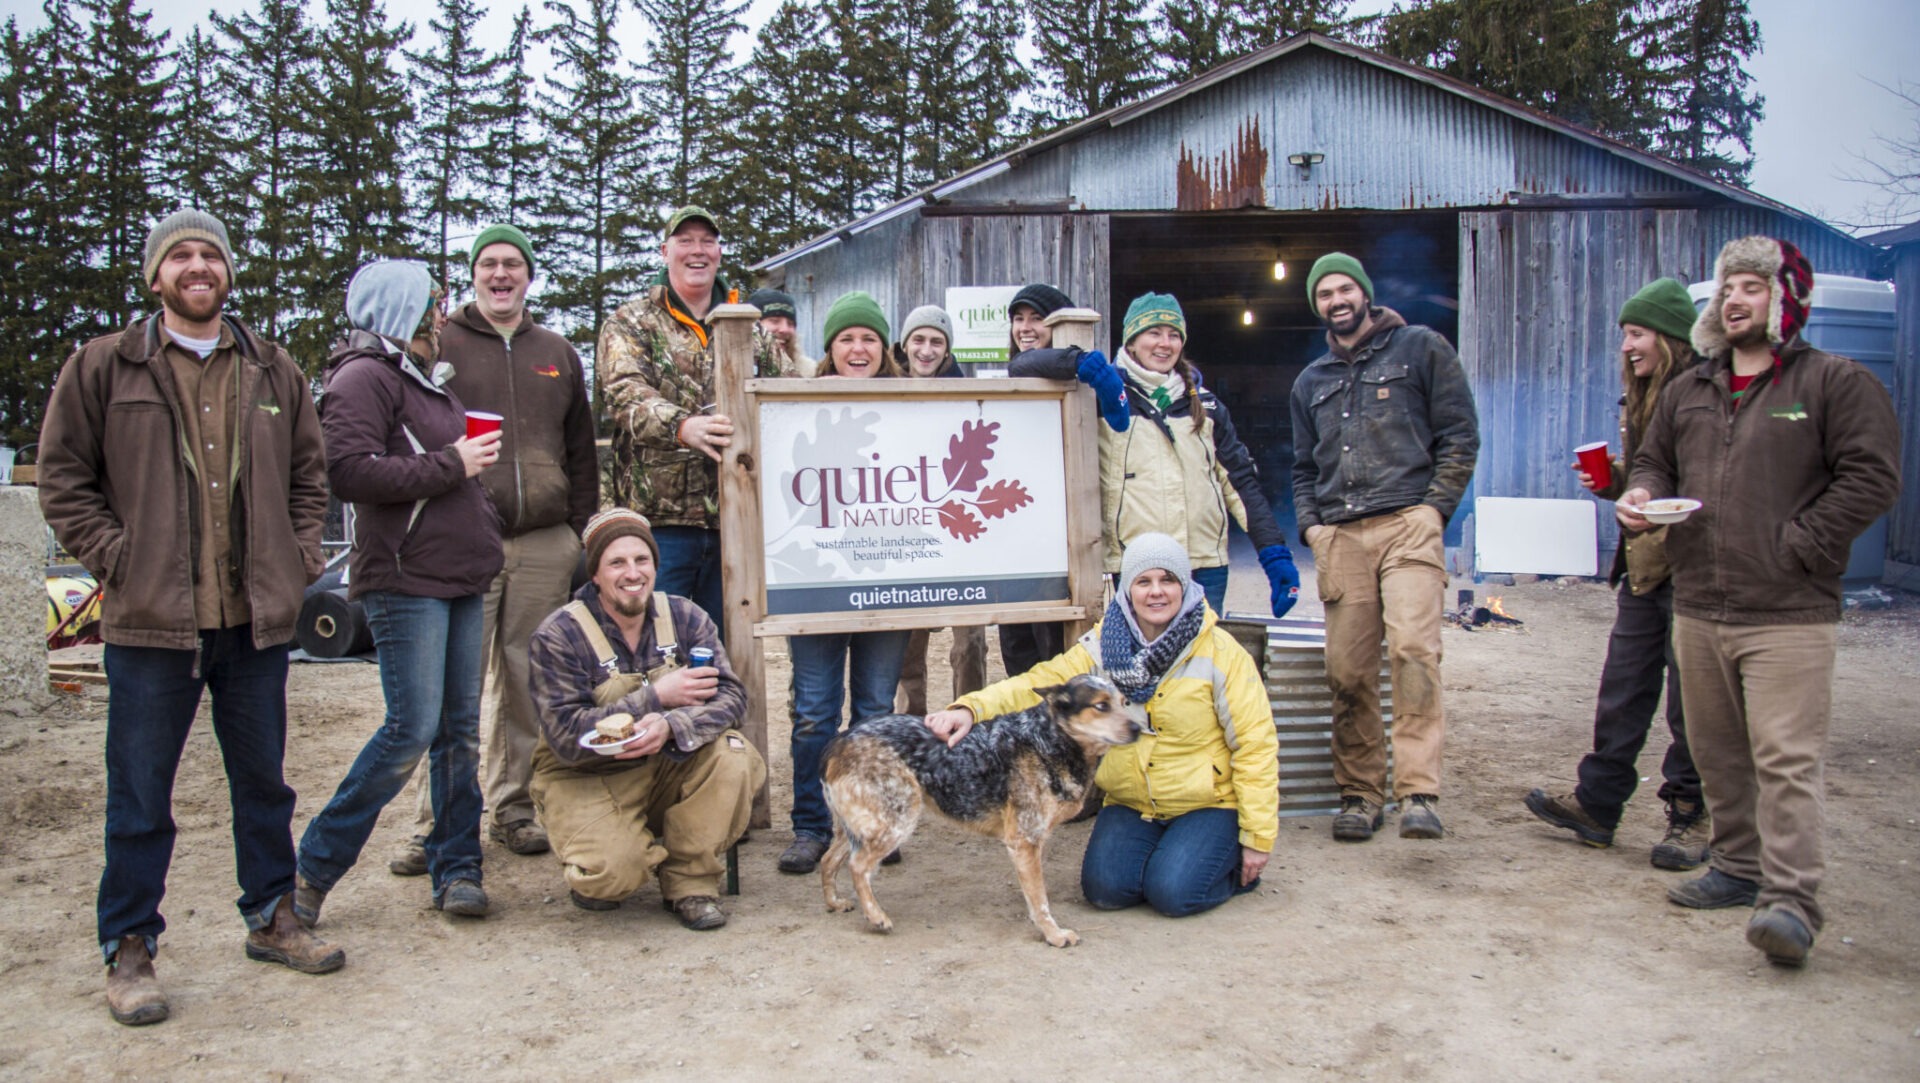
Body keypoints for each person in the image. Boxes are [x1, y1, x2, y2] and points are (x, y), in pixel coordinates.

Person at [38, 209, 344, 1025]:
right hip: (150, 624)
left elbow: (311, 478)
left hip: (253, 621)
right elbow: (62, 477)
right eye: (181, 255)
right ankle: (130, 945)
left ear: (228, 272)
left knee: (264, 784)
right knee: (140, 793)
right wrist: (117, 555)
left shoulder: (273, 370)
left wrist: (301, 555)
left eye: (211, 254)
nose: (198, 266)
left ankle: (273, 915)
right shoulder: (105, 366)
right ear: (155, 275)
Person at [1622, 236, 1900, 967]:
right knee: (1717, 751)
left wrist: (1803, 542)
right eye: (1728, 286)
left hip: (1788, 610)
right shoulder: (1692, 388)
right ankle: (1738, 867)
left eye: (1752, 285)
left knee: (1784, 757)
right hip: (1702, 600)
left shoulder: (1833, 383)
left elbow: (1873, 476)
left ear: (1786, 299)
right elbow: (1655, 457)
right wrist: (1643, 493)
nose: (1735, 299)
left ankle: (1792, 900)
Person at [295, 260, 505, 924]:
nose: (442, 316)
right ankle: (313, 866)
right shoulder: (361, 378)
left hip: (458, 576)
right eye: (432, 305)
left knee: (457, 732)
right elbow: (349, 470)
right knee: (409, 728)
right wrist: (454, 463)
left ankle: (458, 866)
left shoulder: (420, 381)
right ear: (399, 311)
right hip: (406, 581)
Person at [389, 224, 597, 876]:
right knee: (451, 690)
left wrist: (581, 533)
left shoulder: (558, 352)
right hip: (460, 539)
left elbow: (581, 453)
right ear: (471, 275)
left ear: (528, 276)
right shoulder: (439, 345)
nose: (501, 274)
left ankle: (514, 809)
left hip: (542, 542)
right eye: (489, 264)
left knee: (526, 683)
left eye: (513, 264)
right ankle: (435, 824)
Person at [926, 533, 1278, 917]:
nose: (1156, 592)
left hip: (1206, 802)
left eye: (1168, 580)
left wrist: (1258, 838)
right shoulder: (1104, 646)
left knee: (1175, 895)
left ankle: (1216, 865)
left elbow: (1255, 746)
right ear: (1127, 590)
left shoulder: (1223, 653)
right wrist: (971, 708)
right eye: (1143, 582)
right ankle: (1174, 857)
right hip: (1133, 801)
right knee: (1106, 892)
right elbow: (1039, 682)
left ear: (1185, 585)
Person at [1291, 252, 1479, 842]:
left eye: (1345, 288)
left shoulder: (1421, 348)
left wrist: (1434, 509)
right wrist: (1313, 529)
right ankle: (1360, 793)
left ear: (1365, 293)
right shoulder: (1310, 382)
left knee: (1414, 653)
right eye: (1325, 294)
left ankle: (1418, 793)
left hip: (1407, 525)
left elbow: (1459, 435)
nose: (1336, 301)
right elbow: (1301, 469)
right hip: (1341, 535)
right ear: (1317, 305)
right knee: (1347, 671)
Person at [1525, 279, 1710, 869]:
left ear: (1672, 338)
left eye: (1637, 334)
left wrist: (1644, 491)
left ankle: (1689, 817)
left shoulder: (1702, 396)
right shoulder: (1644, 395)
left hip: (1694, 572)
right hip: (1644, 567)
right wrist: (1614, 483)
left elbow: (1703, 480)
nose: (1627, 346)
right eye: (1625, 335)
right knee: (1623, 692)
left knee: (1691, 704)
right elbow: (1653, 474)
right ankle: (1598, 807)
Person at [527, 509, 766, 928]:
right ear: (595, 573)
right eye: (616, 563)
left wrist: (673, 725)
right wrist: (655, 698)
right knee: (610, 878)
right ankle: (623, 856)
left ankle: (691, 881)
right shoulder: (559, 634)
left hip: (668, 765)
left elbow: (731, 697)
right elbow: (565, 736)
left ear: (655, 566)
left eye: (642, 560)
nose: (632, 573)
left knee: (734, 753)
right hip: (586, 776)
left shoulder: (686, 616)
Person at [1010, 292, 1299, 619]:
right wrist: (1083, 363)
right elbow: (1020, 364)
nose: (1165, 343)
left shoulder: (1206, 405)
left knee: (1200, 664)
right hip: (1139, 566)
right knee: (1142, 665)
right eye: (1154, 333)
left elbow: (1241, 484)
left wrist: (1274, 554)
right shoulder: (1102, 394)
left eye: (1174, 335)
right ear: (1131, 342)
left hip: (1204, 564)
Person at [600, 207, 794, 638]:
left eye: (707, 241)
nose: (697, 250)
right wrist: (681, 426)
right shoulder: (631, 321)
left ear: (720, 253)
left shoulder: (750, 329)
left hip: (736, 521)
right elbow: (624, 391)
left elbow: (789, 395)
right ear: (665, 251)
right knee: (657, 646)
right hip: (661, 526)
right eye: (685, 241)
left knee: (726, 650)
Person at [777, 292, 914, 874]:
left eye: (868, 339)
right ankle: (811, 825)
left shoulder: (916, 408)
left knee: (876, 710)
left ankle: (872, 821)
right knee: (813, 711)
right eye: (846, 339)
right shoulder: (794, 408)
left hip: (888, 580)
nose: (858, 349)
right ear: (829, 349)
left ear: (884, 349)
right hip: (815, 583)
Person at [891, 303, 989, 714]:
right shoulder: (884, 390)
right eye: (919, 340)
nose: (926, 350)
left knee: (970, 643)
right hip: (909, 532)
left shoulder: (968, 397)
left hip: (960, 536)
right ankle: (913, 722)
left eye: (936, 342)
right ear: (905, 344)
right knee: (908, 645)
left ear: (947, 351)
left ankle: (967, 720)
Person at [994, 283, 1079, 677]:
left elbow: (1032, 364)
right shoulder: (1012, 380)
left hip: (1057, 539)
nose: (1025, 327)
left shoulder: (1075, 376)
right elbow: (1020, 366)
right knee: (1016, 647)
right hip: (1013, 538)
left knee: (1054, 652)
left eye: (1037, 318)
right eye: (1018, 318)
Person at [749, 286, 814, 376]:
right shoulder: (732, 368)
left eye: (790, 323)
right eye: (775, 321)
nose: (785, 329)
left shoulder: (811, 373)